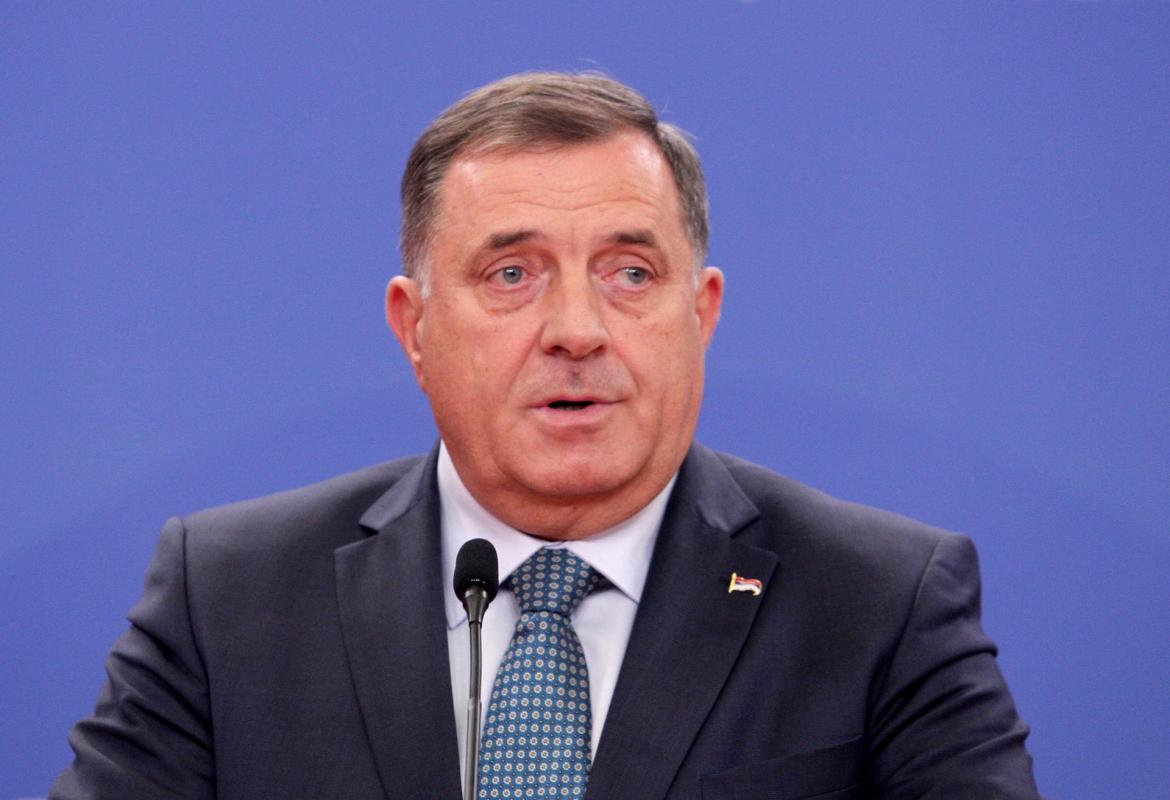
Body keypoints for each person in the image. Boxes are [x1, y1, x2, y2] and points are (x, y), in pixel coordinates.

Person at [52, 72, 1040, 799]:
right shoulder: (227, 597)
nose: (577, 329)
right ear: (415, 327)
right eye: (512, 274)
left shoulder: (878, 604)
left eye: (631, 273)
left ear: (701, 314)